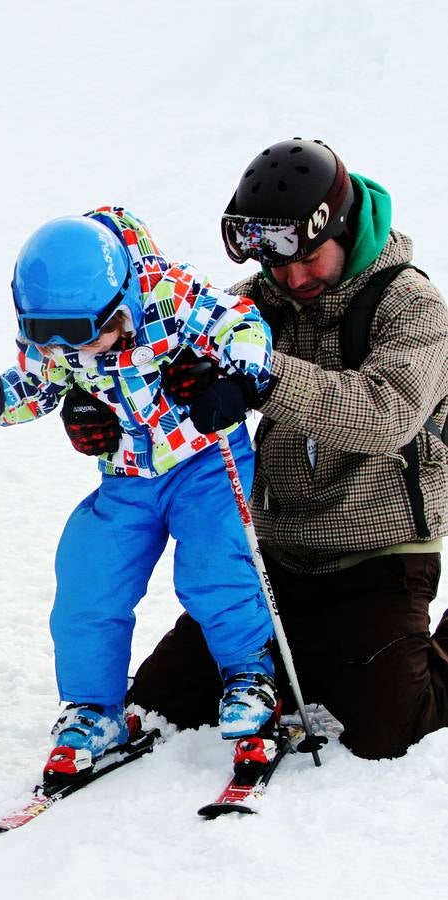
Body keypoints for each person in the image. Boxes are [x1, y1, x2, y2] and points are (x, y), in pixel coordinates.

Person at [128, 139, 448, 760]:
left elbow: (386, 414)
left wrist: (264, 377)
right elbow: (161, 350)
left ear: (344, 228)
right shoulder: (258, 302)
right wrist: (110, 398)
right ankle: (306, 653)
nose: (294, 277)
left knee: (387, 729)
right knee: (160, 700)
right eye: (278, 262)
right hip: (274, 557)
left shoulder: (413, 306)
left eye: (309, 259)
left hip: (378, 559)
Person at [0, 208, 278, 778]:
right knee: (87, 579)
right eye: (51, 339)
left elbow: (241, 324)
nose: (80, 353)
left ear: (121, 301)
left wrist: (239, 382)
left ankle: (251, 678)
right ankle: (95, 708)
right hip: (124, 478)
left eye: (89, 335)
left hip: (204, 463)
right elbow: (37, 384)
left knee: (213, 567)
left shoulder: (168, 294)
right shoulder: (56, 330)